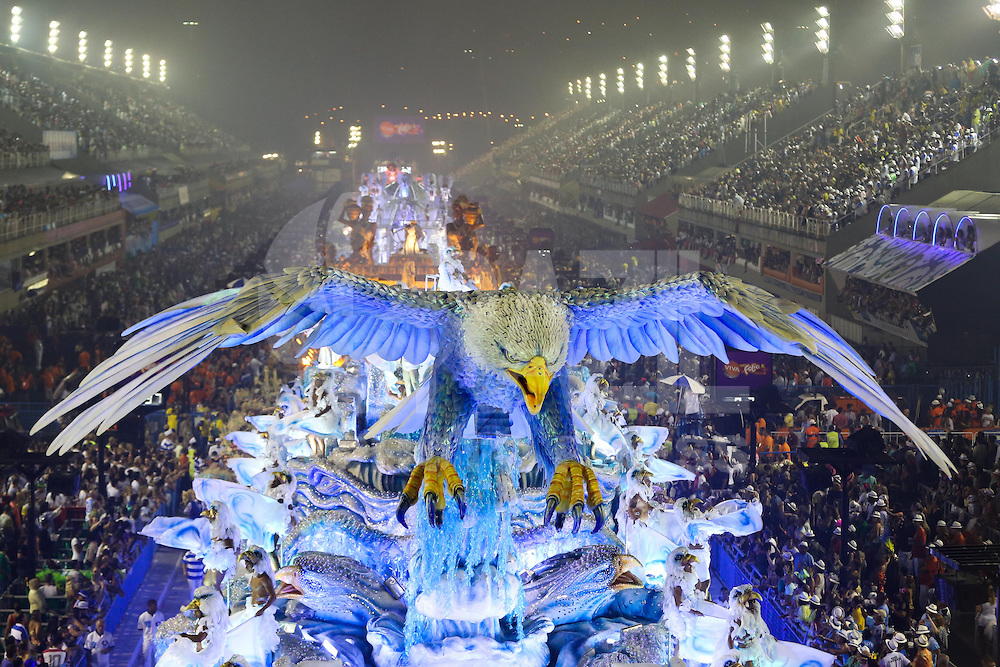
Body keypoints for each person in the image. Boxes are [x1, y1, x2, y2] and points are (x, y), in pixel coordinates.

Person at [137, 599, 164, 667]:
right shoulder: (143, 617)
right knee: (147, 657)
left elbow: (163, 626)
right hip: (147, 639)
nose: (156, 607)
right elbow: (140, 628)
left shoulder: (160, 615)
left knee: (158, 656)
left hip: (157, 638)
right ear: (149, 606)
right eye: (154, 606)